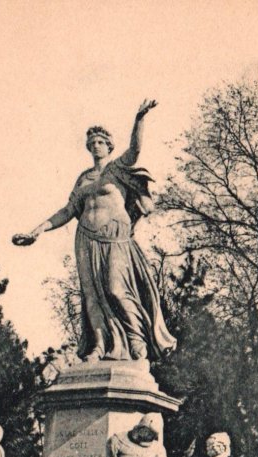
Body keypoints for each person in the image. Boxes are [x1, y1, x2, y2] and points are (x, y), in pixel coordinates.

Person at [12, 100, 176, 363]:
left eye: (99, 142)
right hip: (86, 239)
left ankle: (136, 342)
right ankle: (98, 346)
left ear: (109, 145)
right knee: (91, 297)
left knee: (114, 289)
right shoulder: (84, 178)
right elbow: (68, 210)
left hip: (115, 238)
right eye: (91, 143)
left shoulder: (117, 169)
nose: (95, 146)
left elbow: (135, 150)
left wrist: (139, 119)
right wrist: (37, 231)